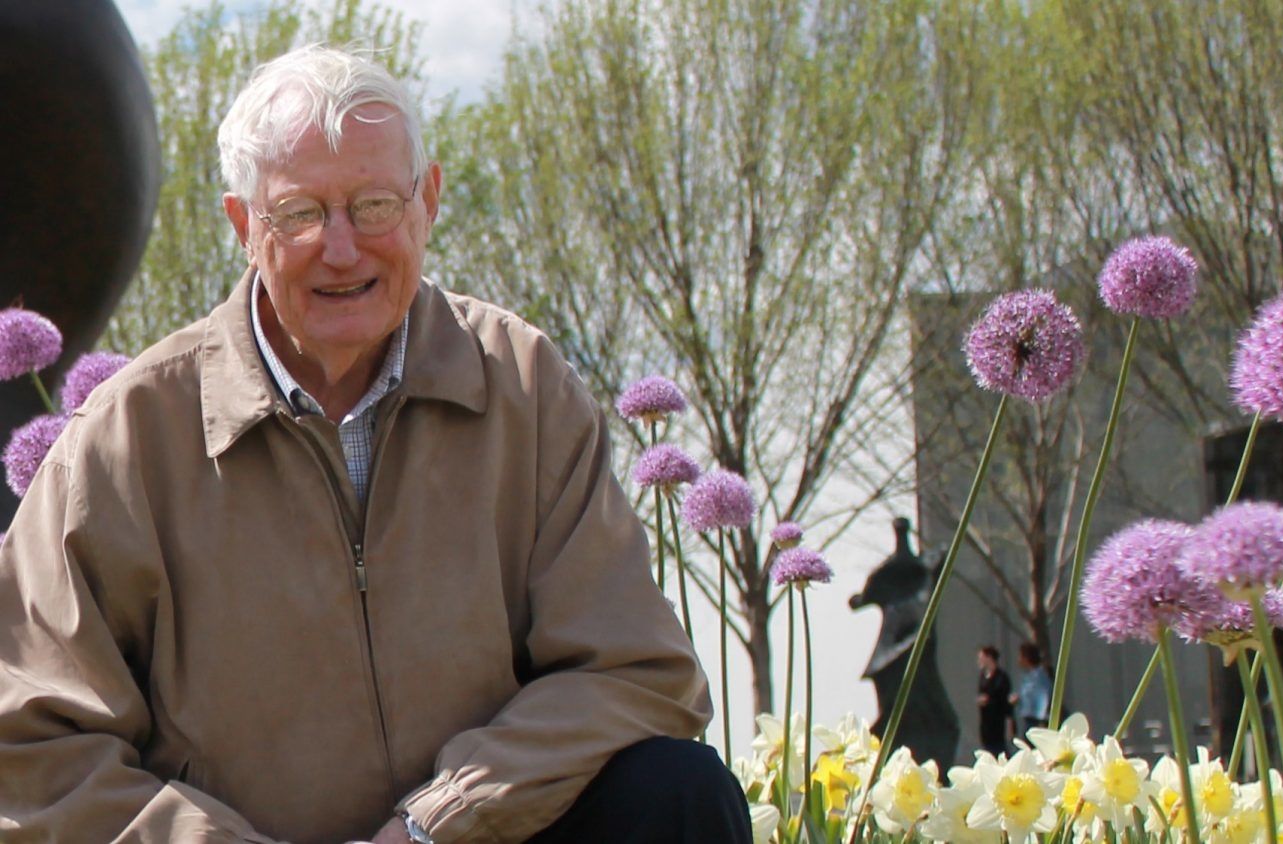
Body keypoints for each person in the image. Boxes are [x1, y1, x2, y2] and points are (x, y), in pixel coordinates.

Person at [0, 46, 750, 843]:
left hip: (482, 836)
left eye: (374, 206)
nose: (343, 247)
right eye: (300, 214)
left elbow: (634, 667)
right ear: (243, 225)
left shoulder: (523, 386)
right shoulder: (126, 439)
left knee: (678, 792)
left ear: (426, 201)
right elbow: (32, 744)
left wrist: (437, 822)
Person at [1012, 641, 1053, 744]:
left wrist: (1042, 721)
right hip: (1029, 721)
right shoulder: (1028, 676)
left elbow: (1044, 697)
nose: (1019, 660)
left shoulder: (1039, 676)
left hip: (1037, 722)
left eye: (1021, 656)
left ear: (1027, 658)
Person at [975, 645, 1013, 754]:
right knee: (987, 747)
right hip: (986, 722)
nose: (979, 660)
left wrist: (988, 700)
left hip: (997, 721)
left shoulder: (1001, 677)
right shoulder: (983, 676)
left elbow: (1003, 699)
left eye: (981, 657)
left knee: (998, 749)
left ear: (989, 657)